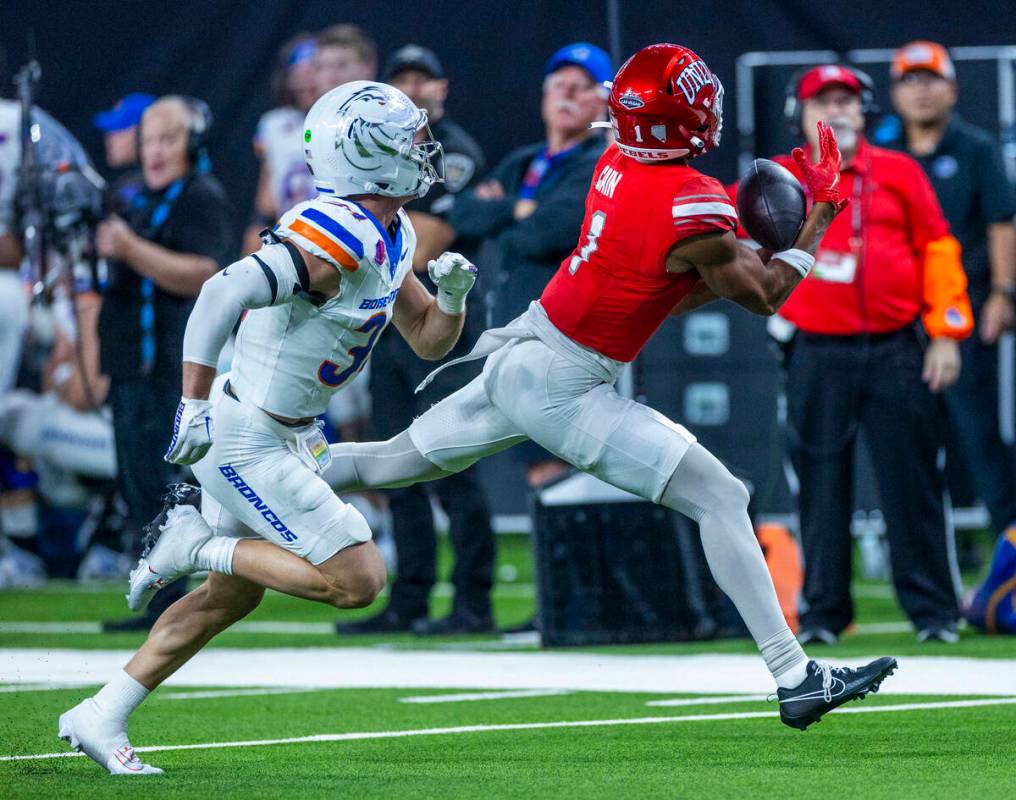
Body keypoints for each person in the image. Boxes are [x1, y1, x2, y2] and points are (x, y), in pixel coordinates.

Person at [324, 44, 896, 729]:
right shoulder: (691, 203)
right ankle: (795, 675)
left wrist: (757, 234)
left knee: (393, 460)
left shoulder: (615, 161)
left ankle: (238, 474)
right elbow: (765, 293)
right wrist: (821, 216)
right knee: (722, 496)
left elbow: (675, 283)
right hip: (565, 384)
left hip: (524, 356)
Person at [59, 81, 475, 775]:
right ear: (365, 152)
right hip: (244, 433)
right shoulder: (338, 230)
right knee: (357, 579)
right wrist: (190, 405)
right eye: (405, 139)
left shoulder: (391, 230)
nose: (419, 150)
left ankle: (103, 711)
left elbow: (429, 339)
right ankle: (194, 542)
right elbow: (220, 291)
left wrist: (454, 298)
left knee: (232, 595)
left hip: (282, 431)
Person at [766, 64, 973, 645]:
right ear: (799, 114)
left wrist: (946, 330)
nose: (836, 110)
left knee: (913, 480)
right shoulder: (781, 177)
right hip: (816, 346)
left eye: (847, 100)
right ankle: (825, 615)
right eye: (822, 100)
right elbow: (738, 233)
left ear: (865, 111)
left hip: (894, 346)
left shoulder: (899, 172)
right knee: (819, 479)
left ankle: (934, 613)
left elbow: (937, 248)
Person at [338, 45, 496, 636]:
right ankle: (409, 598)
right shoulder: (381, 148)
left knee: (453, 465)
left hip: (446, 324)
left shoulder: (455, 152)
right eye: (400, 79)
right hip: (391, 324)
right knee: (391, 466)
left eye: (421, 78)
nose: (412, 87)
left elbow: (424, 240)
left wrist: (352, 258)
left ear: (442, 87)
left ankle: (473, 602)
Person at [878, 42, 1016, 634]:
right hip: (899, 326)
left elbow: (1001, 221)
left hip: (963, 321)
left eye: (931, 79)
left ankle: (1007, 569)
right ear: (895, 92)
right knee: (910, 454)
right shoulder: (883, 152)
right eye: (910, 80)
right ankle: (935, 581)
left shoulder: (977, 149)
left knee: (981, 445)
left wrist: (1004, 295)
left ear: (952, 88)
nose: (922, 90)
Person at [95, 96, 232, 632]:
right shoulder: (132, 200)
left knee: (162, 485)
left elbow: (203, 273)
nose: (155, 151)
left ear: (191, 143)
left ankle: (169, 596)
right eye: (149, 139)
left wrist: (129, 249)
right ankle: (150, 589)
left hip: (172, 369)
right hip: (129, 365)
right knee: (135, 485)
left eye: (168, 139)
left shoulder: (201, 197)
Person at [450, 41, 610, 487]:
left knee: (557, 466)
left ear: (601, 102)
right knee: (534, 464)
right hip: (517, 328)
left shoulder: (600, 163)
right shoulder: (527, 161)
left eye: (581, 88)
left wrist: (510, 213)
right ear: (543, 95)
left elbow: (543, 233)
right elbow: (463, 213)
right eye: (560, 85)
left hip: (563, 334)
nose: (568, 96)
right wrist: (523, 207)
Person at [242, 35, 319, 255]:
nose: (305, 81)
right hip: (289, 235)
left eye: (311, 72)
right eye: (298, 74)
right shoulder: (273, 124)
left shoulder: (343, 120)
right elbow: (266, 198)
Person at [93, 93, 156, 215]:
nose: (108, 138)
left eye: (117, 129)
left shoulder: (153, 188)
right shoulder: (127, 181)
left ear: (143, 133)